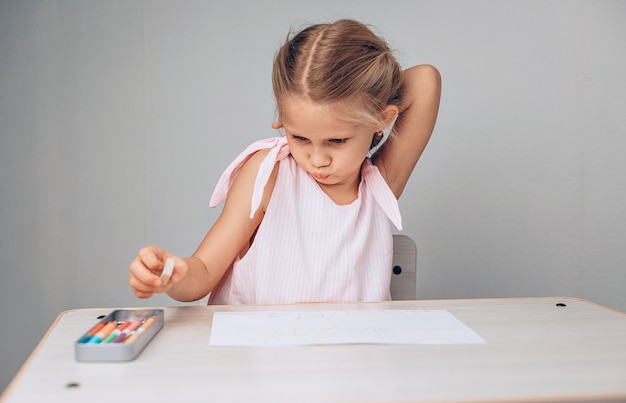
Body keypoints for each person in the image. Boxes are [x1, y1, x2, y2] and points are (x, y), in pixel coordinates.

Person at [129, 19, 441, 304]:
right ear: (282, 121)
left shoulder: (380, 184)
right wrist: (172, 275)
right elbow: (203, 273)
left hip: (347, 360)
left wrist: (366, 98)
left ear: (382, 120)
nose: (317, 160)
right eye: (300, 138)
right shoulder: (270, 175)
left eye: (337, 140)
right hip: (259, 359)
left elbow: (426, 80)